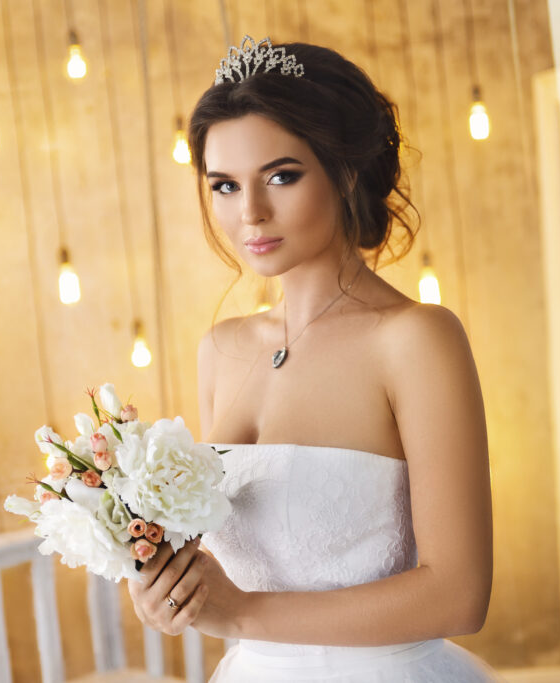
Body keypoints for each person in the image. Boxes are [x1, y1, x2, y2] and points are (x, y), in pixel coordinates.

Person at [126, 36, 496, 681]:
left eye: (281, 175)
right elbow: (224, 570)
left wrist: (241, 614)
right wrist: (167, 594)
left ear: (345, 171)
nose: (251, 214)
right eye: (224, 185)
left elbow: (459, 595)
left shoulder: (414, 339)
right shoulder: (220, 349)